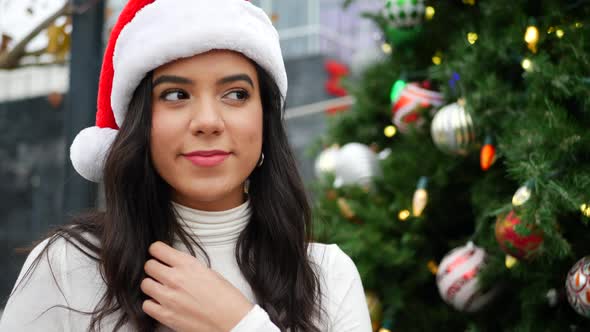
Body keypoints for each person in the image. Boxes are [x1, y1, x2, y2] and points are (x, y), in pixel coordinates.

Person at [0, 0, 372, 331]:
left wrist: (240, 324)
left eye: (236, 94)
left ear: (265, 120)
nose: (208, 121)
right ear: (140, 123)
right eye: (176, 95)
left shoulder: (328, 276)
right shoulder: (68, 266)